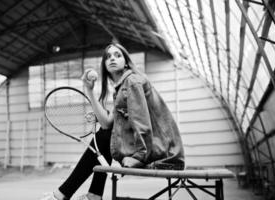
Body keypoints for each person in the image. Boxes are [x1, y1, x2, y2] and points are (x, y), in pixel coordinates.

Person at [41, 43, 185, 200]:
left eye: (117, 55)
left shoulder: (132, 81)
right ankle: (90, 195)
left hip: (165, 154)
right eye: (108, 57)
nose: (112, 59)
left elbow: (142, 122)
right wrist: (89, 90)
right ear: (104, 65)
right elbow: (107, 124)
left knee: (104, 137)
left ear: (126, 62)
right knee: (105, 134)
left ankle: (66, 194)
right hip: (157, 149)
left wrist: (138, 157)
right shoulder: (122, 87)